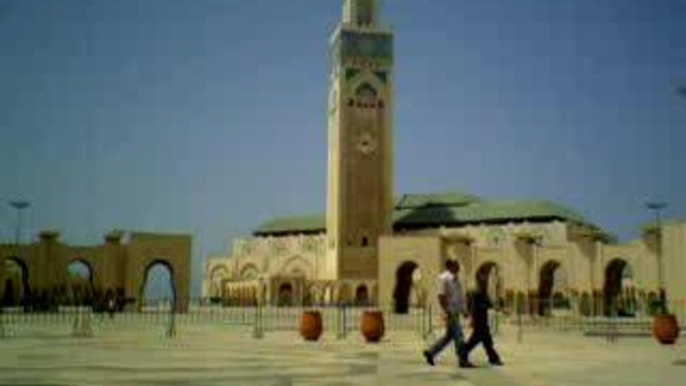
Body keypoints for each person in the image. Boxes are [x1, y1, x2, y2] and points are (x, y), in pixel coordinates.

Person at [422, 259, 475, 368]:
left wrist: (464, 311)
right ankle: (463, 360)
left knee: (449, 336)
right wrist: (447, 312)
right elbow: (441, 296)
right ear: (450, 266)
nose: (459, 268)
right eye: (456, 265)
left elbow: (459, 297)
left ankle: (431, 352)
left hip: (455, 311)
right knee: (459, 336)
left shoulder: (456, 279)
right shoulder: (443, 278)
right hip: (450, 312)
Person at [461, 271, 503, 366]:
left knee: (487, 341)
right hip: (479, 321)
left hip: (483, 321)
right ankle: (462, 356)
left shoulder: (483, 292)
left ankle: (493, 358)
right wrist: (472, 318)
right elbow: (476, 306)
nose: (485, 283)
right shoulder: (477, 293)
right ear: (480, 282)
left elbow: (489, 304)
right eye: (483, 281)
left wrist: (496, 307)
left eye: (486, 281)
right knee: (474, 341)